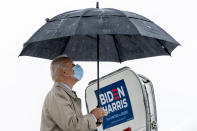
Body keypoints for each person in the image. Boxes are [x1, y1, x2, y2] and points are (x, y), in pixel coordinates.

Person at [40, 55, 107, 131]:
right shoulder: (57, 94)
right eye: (73, 65)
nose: (77, 67)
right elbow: (71, 127)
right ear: (64, 72)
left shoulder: (65, 94)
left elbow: (75, 126)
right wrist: (93, 117)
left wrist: (95, 121)